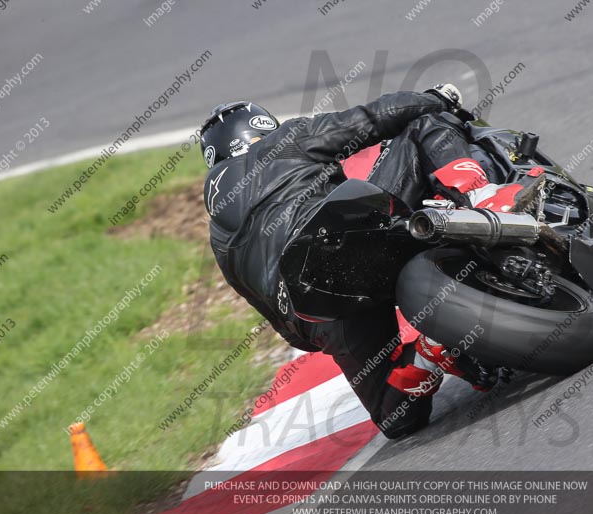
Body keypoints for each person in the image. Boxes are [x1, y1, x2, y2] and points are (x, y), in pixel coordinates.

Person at [200, 86, 531, 438]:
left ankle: (427, 356)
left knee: (397, 419)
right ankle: (483, 200)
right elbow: (373, 118)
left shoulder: (219, 241)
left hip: (317, 309)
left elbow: (286, 329)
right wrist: (438, 98)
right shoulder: (283, 140)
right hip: (353, 236)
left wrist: (325, 329)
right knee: (422, 123)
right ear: (261, 126)